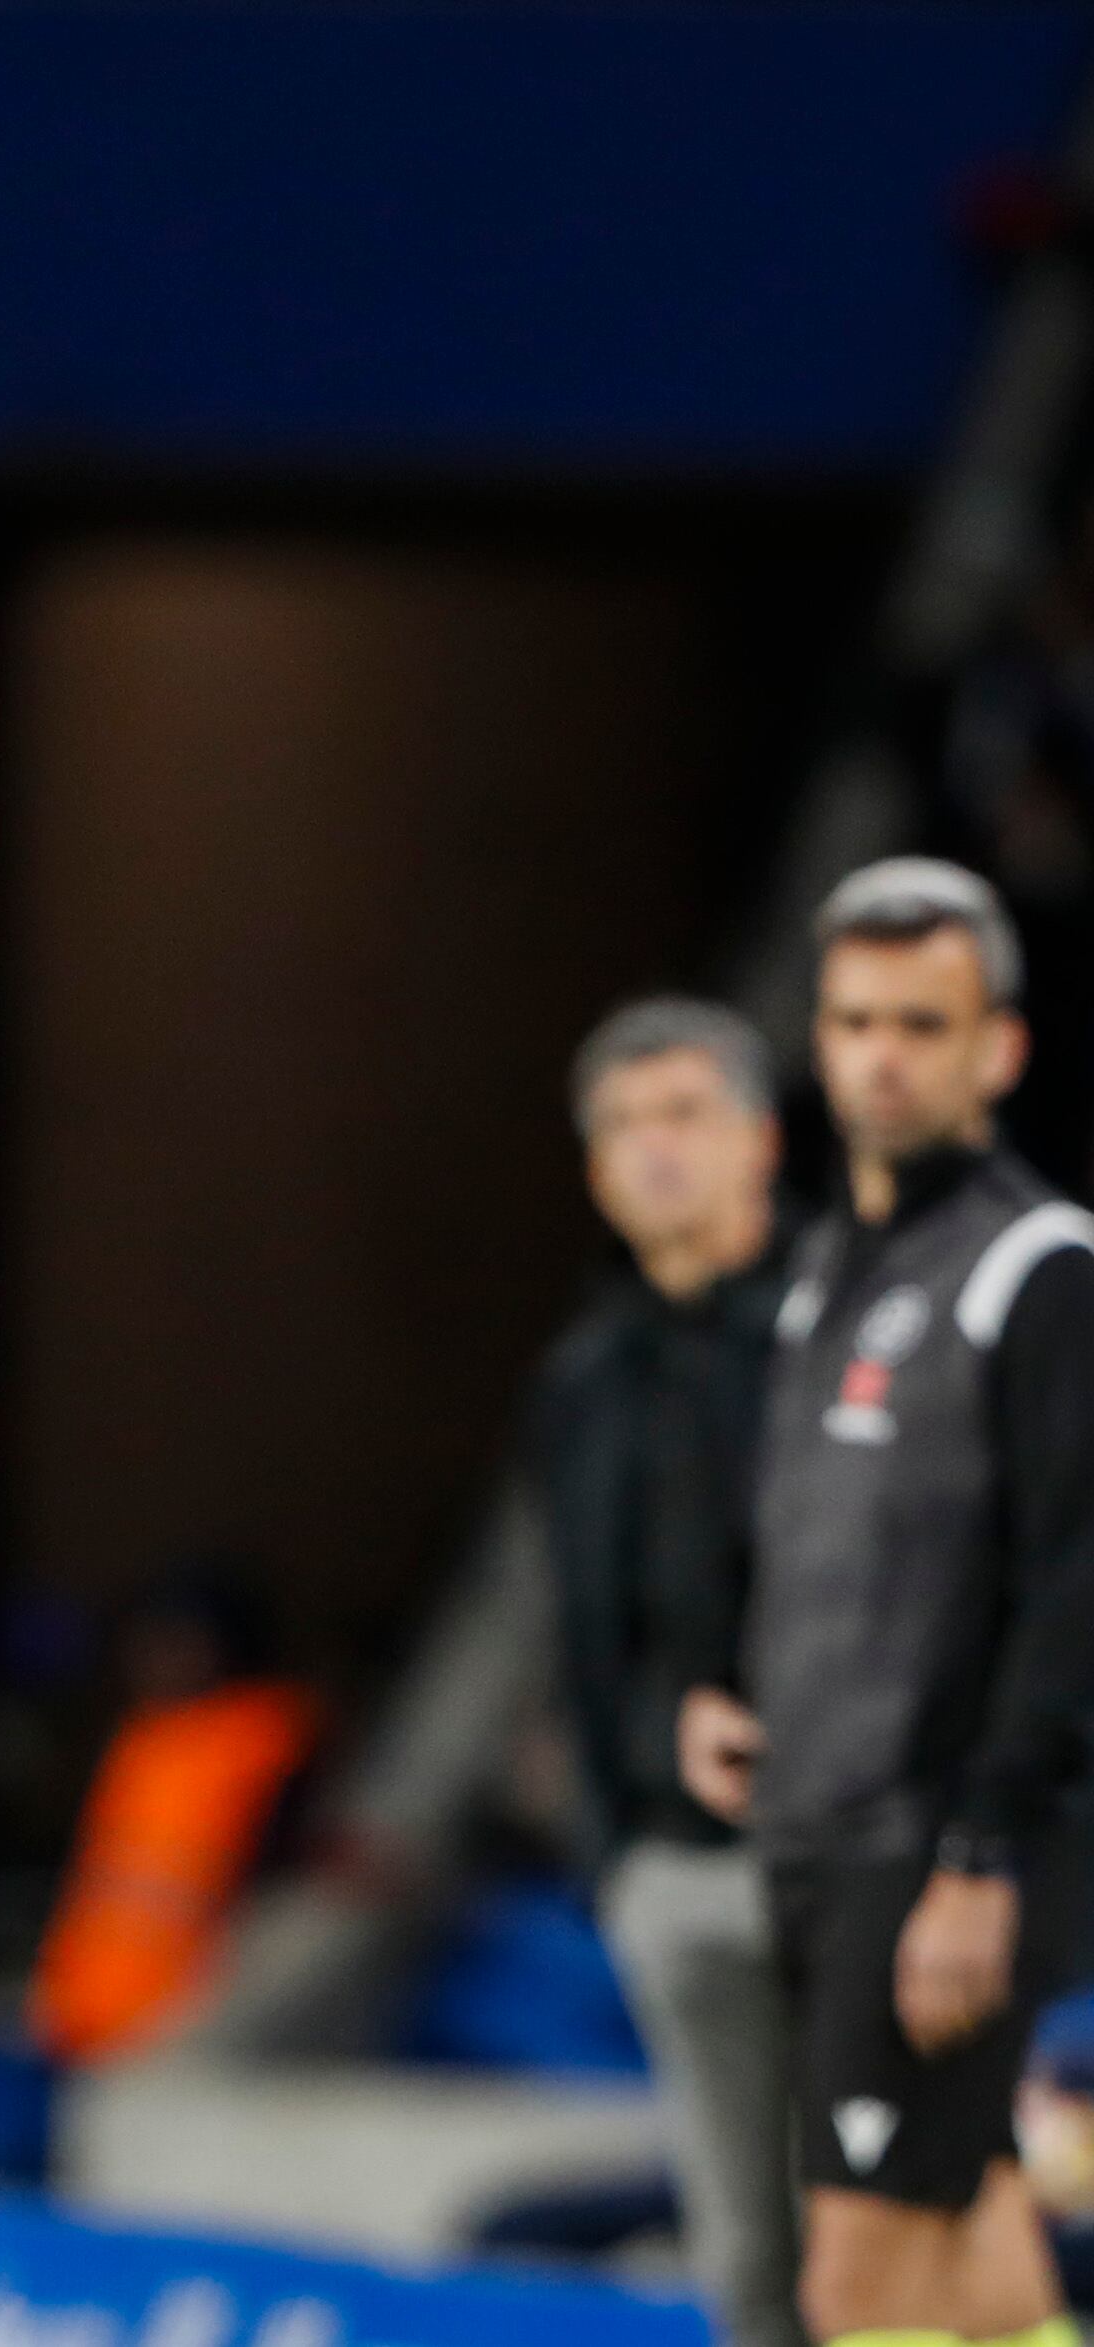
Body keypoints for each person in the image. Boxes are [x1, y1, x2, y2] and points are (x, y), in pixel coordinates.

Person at [685, 857, 1094, 2347]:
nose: (880, 1054)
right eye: (855, 1018)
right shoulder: (821, 1271)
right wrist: (742, 1689)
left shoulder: (1038, 1268)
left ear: (1000, 1047)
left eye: (923, 1022)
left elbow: (1074, 1578)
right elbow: (822, 1543)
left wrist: (982, 1854)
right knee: (973, 2241)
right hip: (821, 1819)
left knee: (854, 2277)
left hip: (935, 1847)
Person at [534, 998, 801, 2347]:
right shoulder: (586, 1377)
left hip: (855, 1845)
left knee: (907, 2229)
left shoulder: (858, 1325)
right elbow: (582, 1630)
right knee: (745, 2250)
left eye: (685, 1113)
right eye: (625, 1125)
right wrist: (612, 1846)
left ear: (760, 1137)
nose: (655, 1150)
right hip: (671, 1870)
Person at [28, 1564, 323, 2067]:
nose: (156, 1659)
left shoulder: (267, 1737)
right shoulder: (145, 1737)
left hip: (189, 2030)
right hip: (90, 2020)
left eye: (178, 1641)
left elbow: (289, 1869)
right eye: (148, 1641)